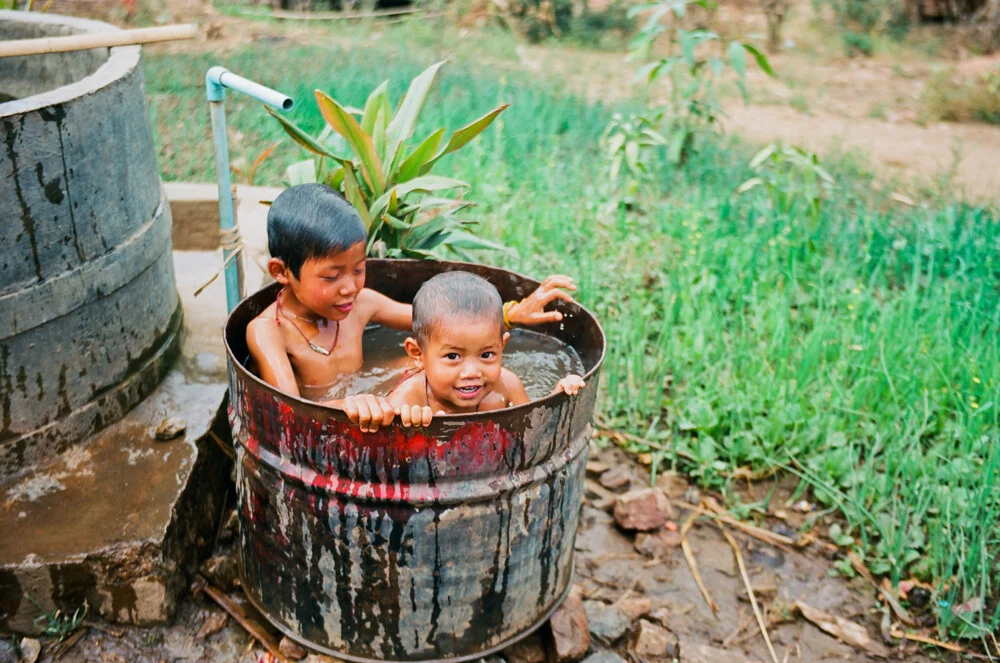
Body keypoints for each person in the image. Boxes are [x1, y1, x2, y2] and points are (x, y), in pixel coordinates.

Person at [246, 183, 576, 403]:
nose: (350, 287)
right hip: (346, 418)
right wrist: (351, 405)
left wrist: (509, 315)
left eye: (358, 269)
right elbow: (287, 410)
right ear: (281, 272)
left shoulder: (363, 305)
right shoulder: (268, 331)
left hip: (383, 398)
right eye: (332, 276)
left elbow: (443, 325)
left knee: (454, 363)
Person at [343, 271, 585, 432]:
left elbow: (534, 431)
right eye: (452, 356)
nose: (472, 372)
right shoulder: (409, 398)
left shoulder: (507, 386)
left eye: (487, 355)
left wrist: (558, 396)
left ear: (503, 346)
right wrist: (411, 430)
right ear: (417, 354)